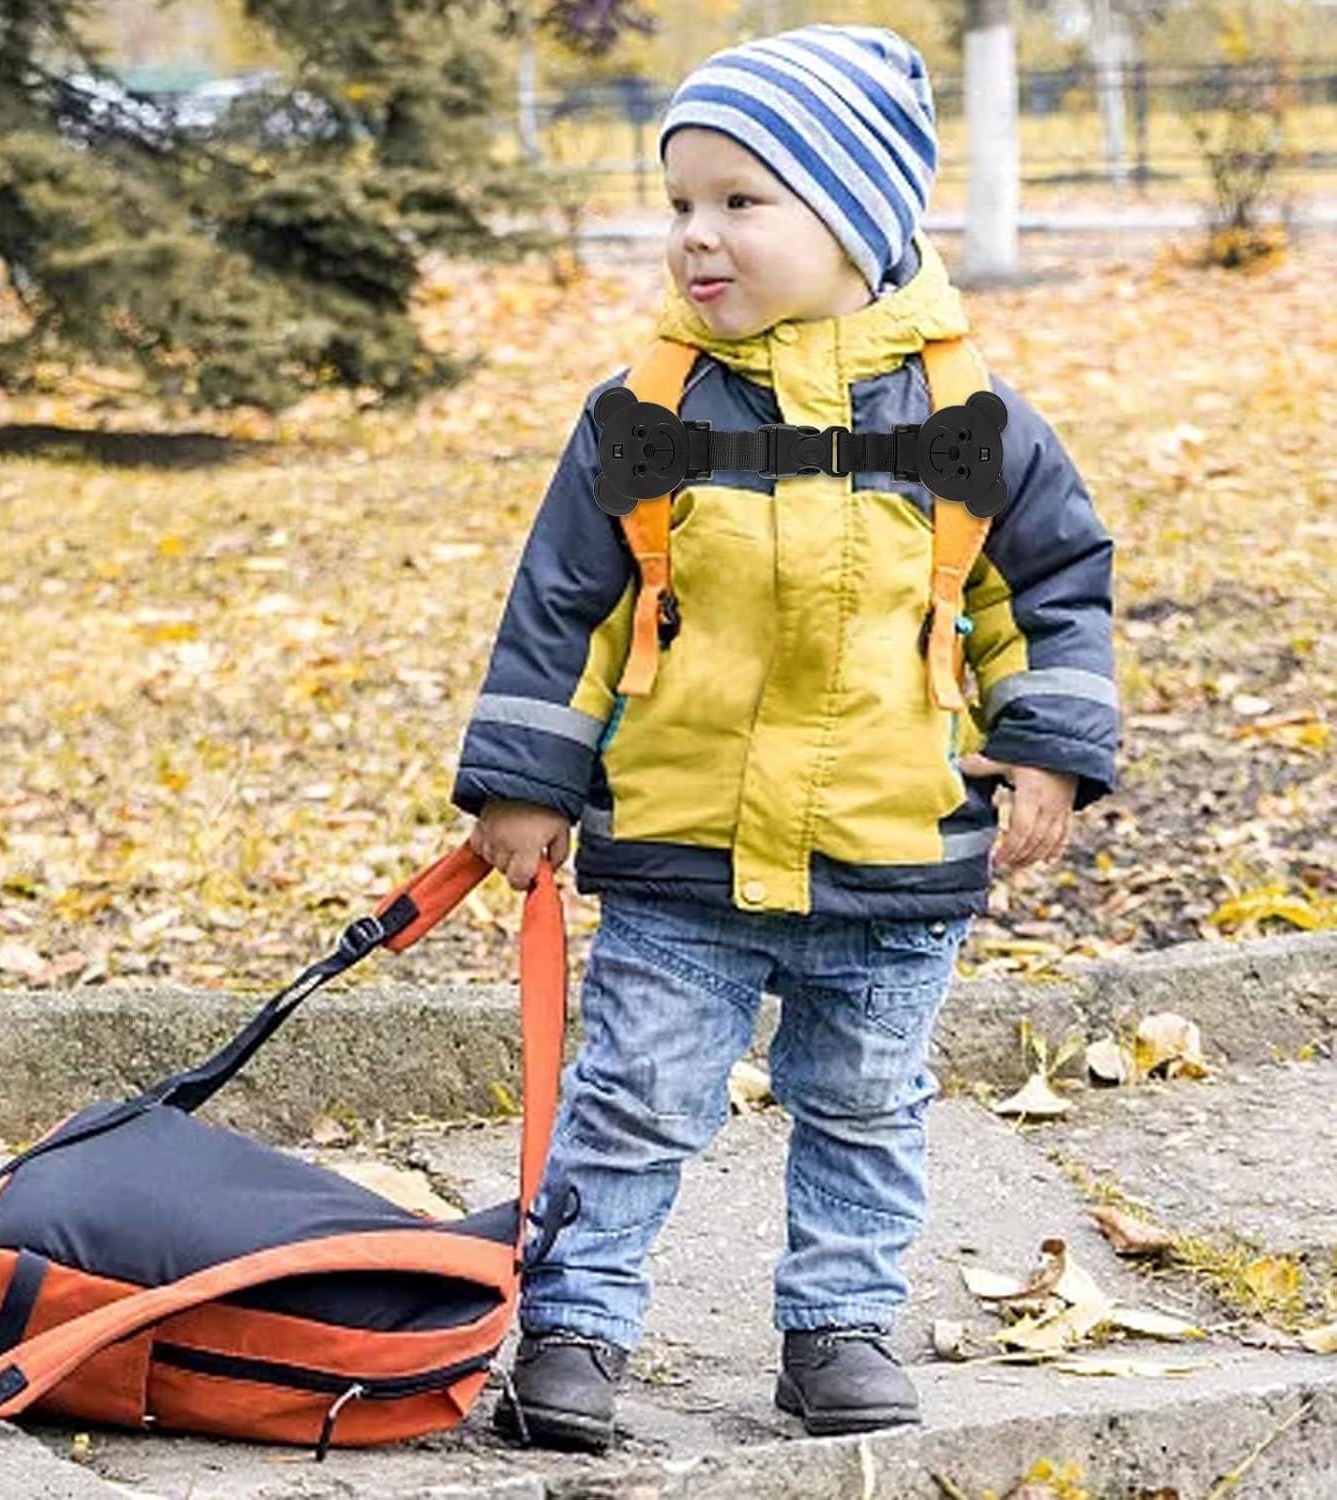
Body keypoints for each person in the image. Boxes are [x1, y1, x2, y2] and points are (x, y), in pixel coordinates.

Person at [451, 22, 1119, 1454]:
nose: (697, 237)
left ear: (859, 218)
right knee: (630, 1105)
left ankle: (839, 1329)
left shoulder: (965, 421)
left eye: (743, 202)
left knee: (867, 1112)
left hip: (894, 858)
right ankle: (575, 1330)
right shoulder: (647, 413)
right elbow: (565, 607)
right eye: (681, 203)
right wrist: (525, 781)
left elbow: (1047, 592)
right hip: (684, 852)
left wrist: (1049, 749)